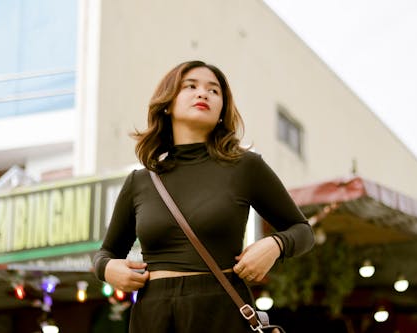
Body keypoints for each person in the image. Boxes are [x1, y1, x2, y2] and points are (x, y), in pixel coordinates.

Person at [93, 60, 315, 332]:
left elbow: (303, 230)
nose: (203, 93)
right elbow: (106, 252)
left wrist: (276, 245)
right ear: (167, 103)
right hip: (152, 314)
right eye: (191, 86)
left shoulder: (245, 167)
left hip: (221, 311)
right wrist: (105, 269)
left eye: (214, 90)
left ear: (222, 110)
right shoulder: (141, 181)